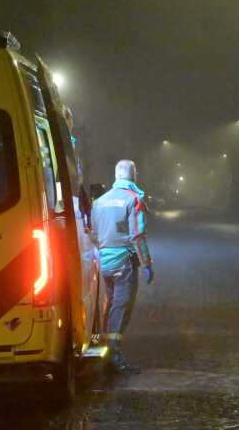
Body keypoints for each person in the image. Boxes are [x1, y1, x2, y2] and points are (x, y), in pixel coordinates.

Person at [91, 159, 154, 375]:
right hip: (124, 263)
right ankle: (114, 355)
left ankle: (105, 350)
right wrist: (147, 263)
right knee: (122, 307)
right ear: (133, 176)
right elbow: (137, 235)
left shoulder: (99, 201)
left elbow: (94, 233)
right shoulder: (133, 199)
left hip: (104, 263)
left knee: (109, 306)